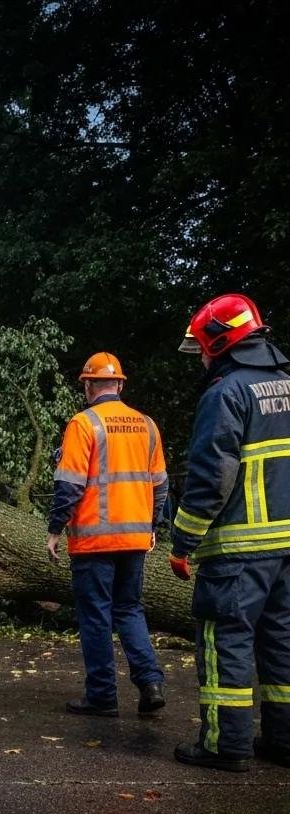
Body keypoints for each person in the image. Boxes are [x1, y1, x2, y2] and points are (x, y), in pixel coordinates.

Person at [169, 293, 290, 772]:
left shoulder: (227, 393)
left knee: (228, 643)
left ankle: (225, 744)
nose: (200, 356)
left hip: (240, 550)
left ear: (221, 341)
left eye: (202, 346)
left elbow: (210, 477)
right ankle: (284, 741)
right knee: (283, 644)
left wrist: (184, 542)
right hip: (287, 549)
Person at [47, 352, 169, 716]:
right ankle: (150, 683)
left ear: (87, 385)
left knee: (95, 617)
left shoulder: (84, 424)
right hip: (134, 540)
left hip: (93, 542)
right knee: (130, 610)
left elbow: (68, 486)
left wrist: (54, 529)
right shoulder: (147, 425)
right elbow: (160, 485)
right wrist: (151, 526)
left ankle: (102, 696)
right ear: (119, 384)